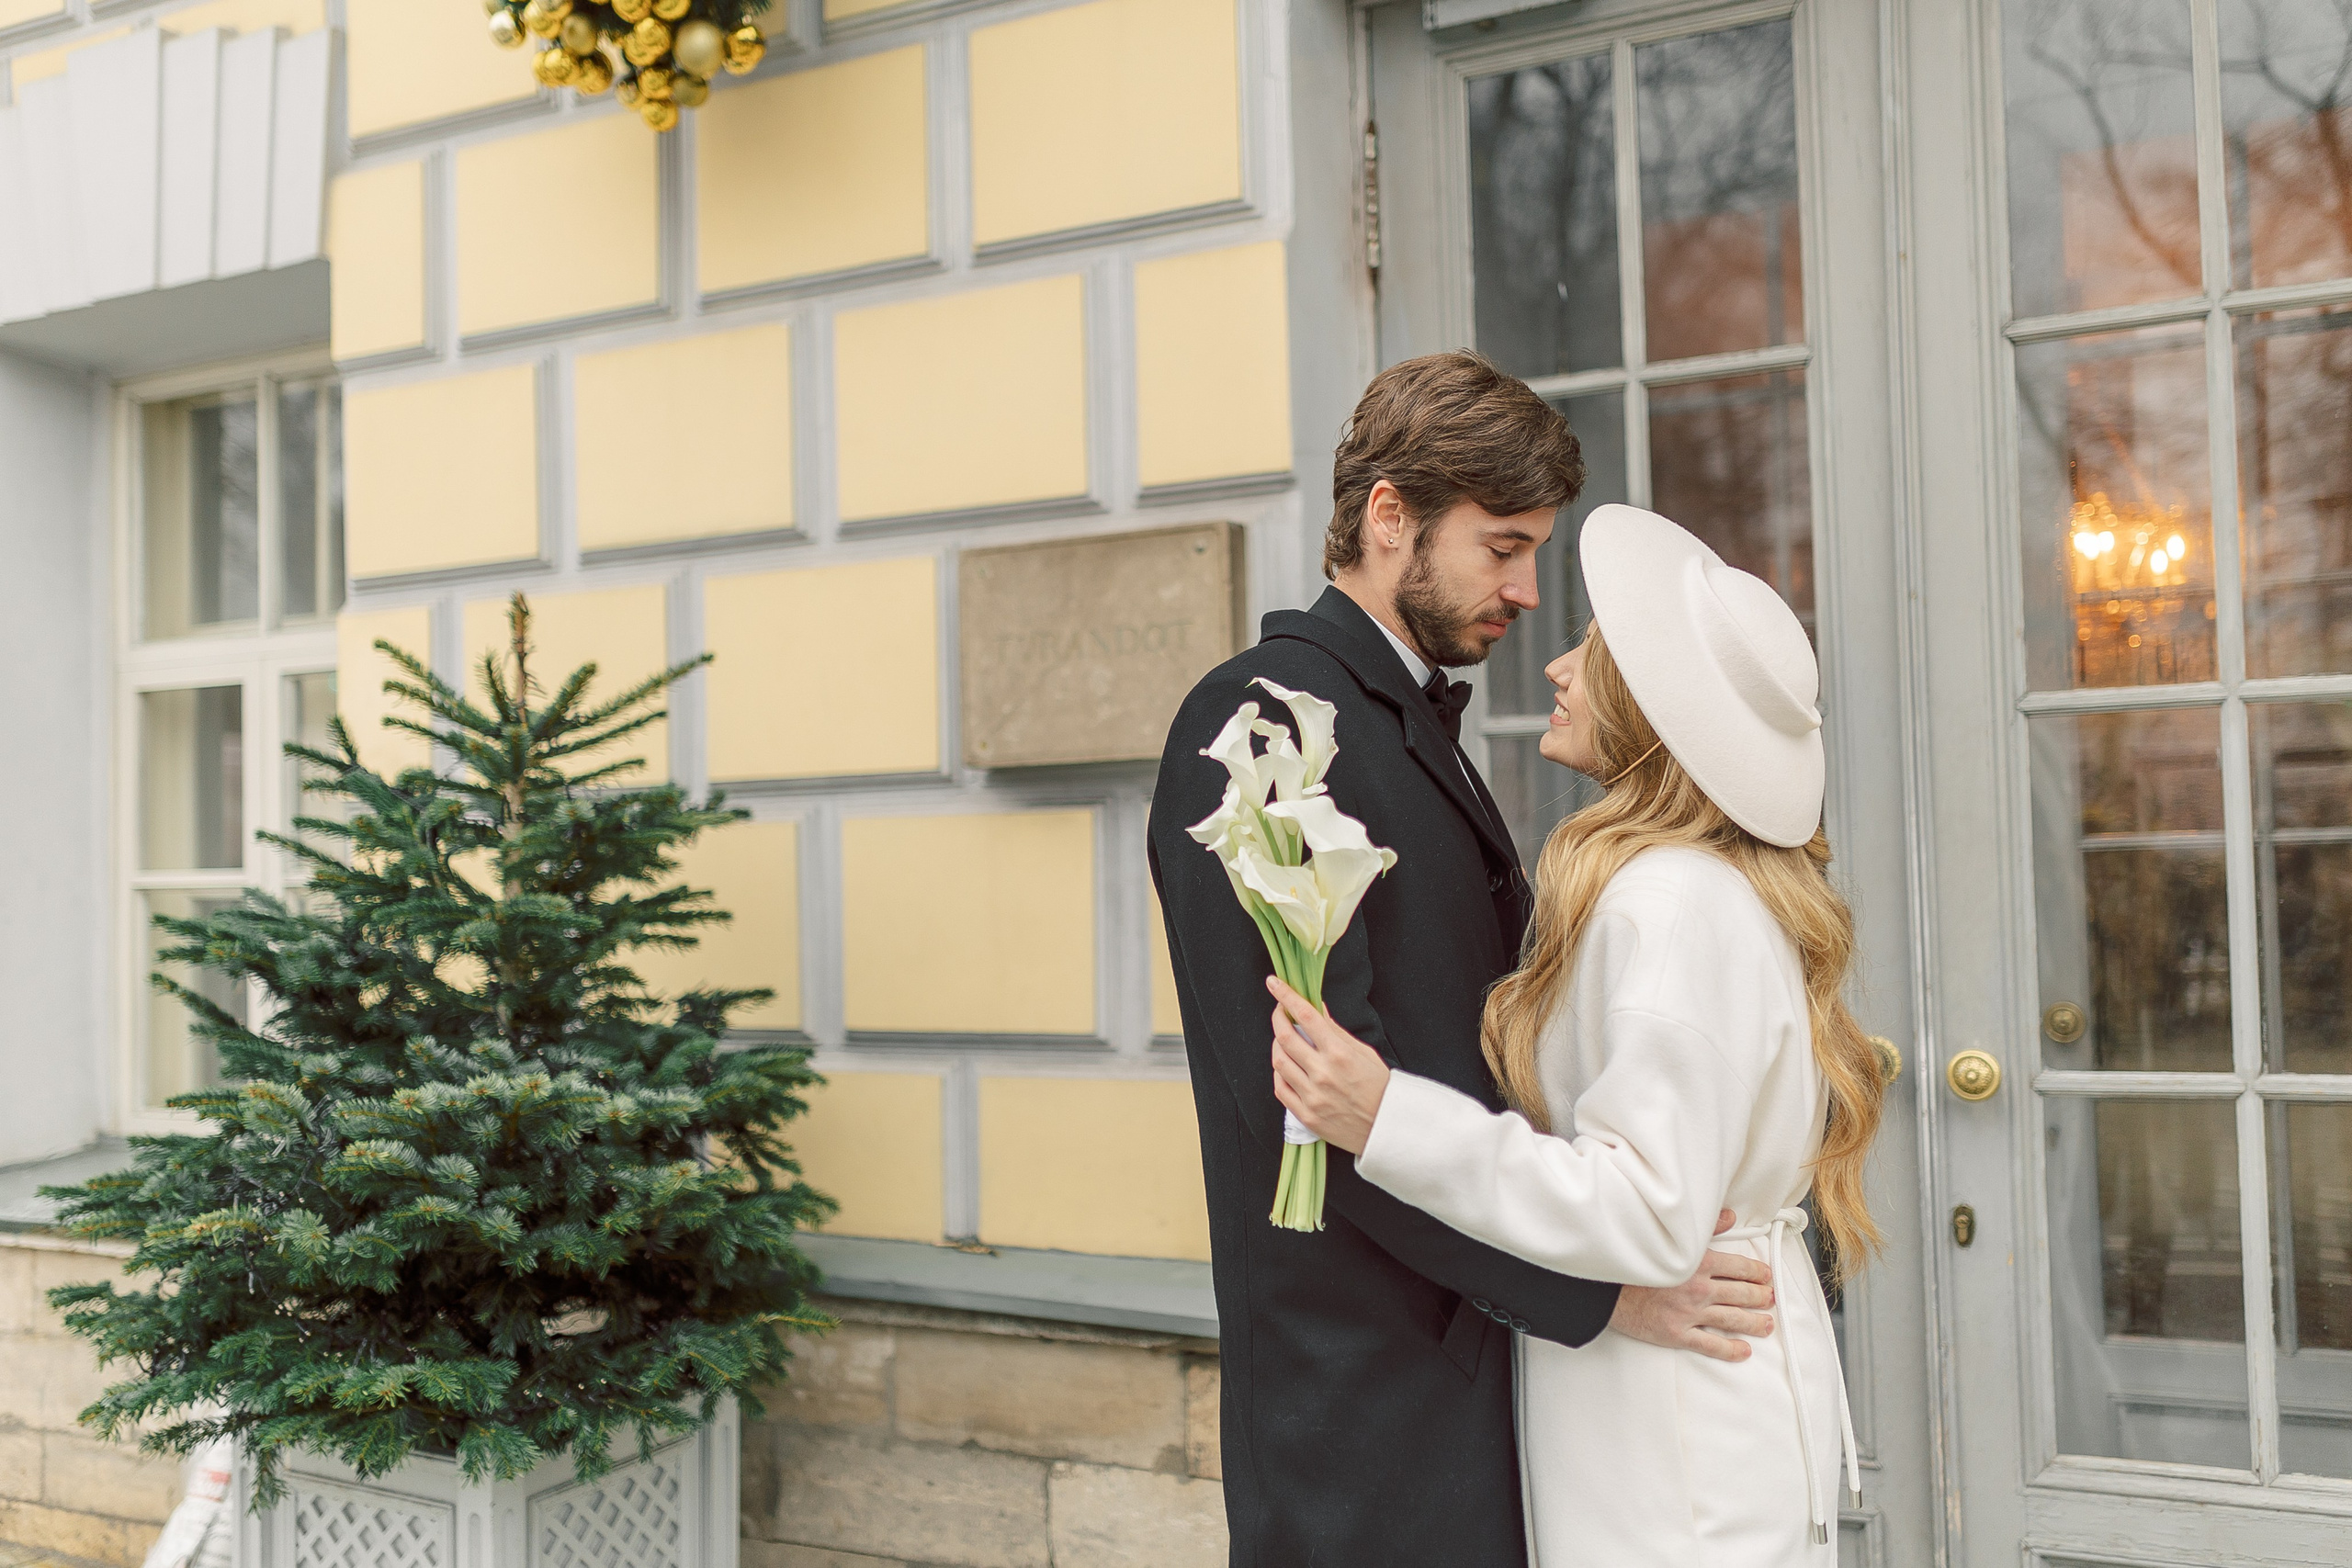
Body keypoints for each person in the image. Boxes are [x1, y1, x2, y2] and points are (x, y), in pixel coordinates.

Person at [1148, 355, 1781, 1568]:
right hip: (1362, 1418)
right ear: (1391, 518)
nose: (1527, 589)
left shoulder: (1397, 721)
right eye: (1502, 547)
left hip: (1475, 1375)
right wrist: (1594, 1294)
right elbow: (1315, 1114)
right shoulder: (1266, 729)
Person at [1264, 502, 1890, 1566]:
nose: (1555, 665)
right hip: (1688, 1409)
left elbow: (1647, 1212)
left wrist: (1386, 1117)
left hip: (1670, 1442)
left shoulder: (1668, 902)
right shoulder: (1705, 889)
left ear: (1654, 711)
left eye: (1595, 654)